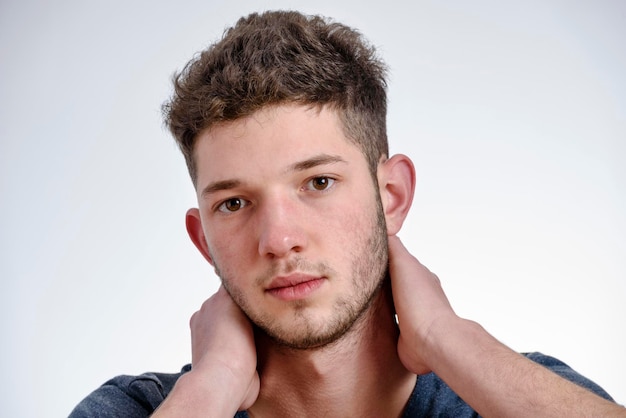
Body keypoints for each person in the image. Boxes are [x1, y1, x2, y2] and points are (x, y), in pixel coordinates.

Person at [70, 10, 624, 417]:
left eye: (318, 182)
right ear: (203, 241)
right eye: (233, 203)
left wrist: (446, 337)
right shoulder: (142, 408)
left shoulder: (511, 393)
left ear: (392, 197)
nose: (279, 240)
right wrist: (215, 384)